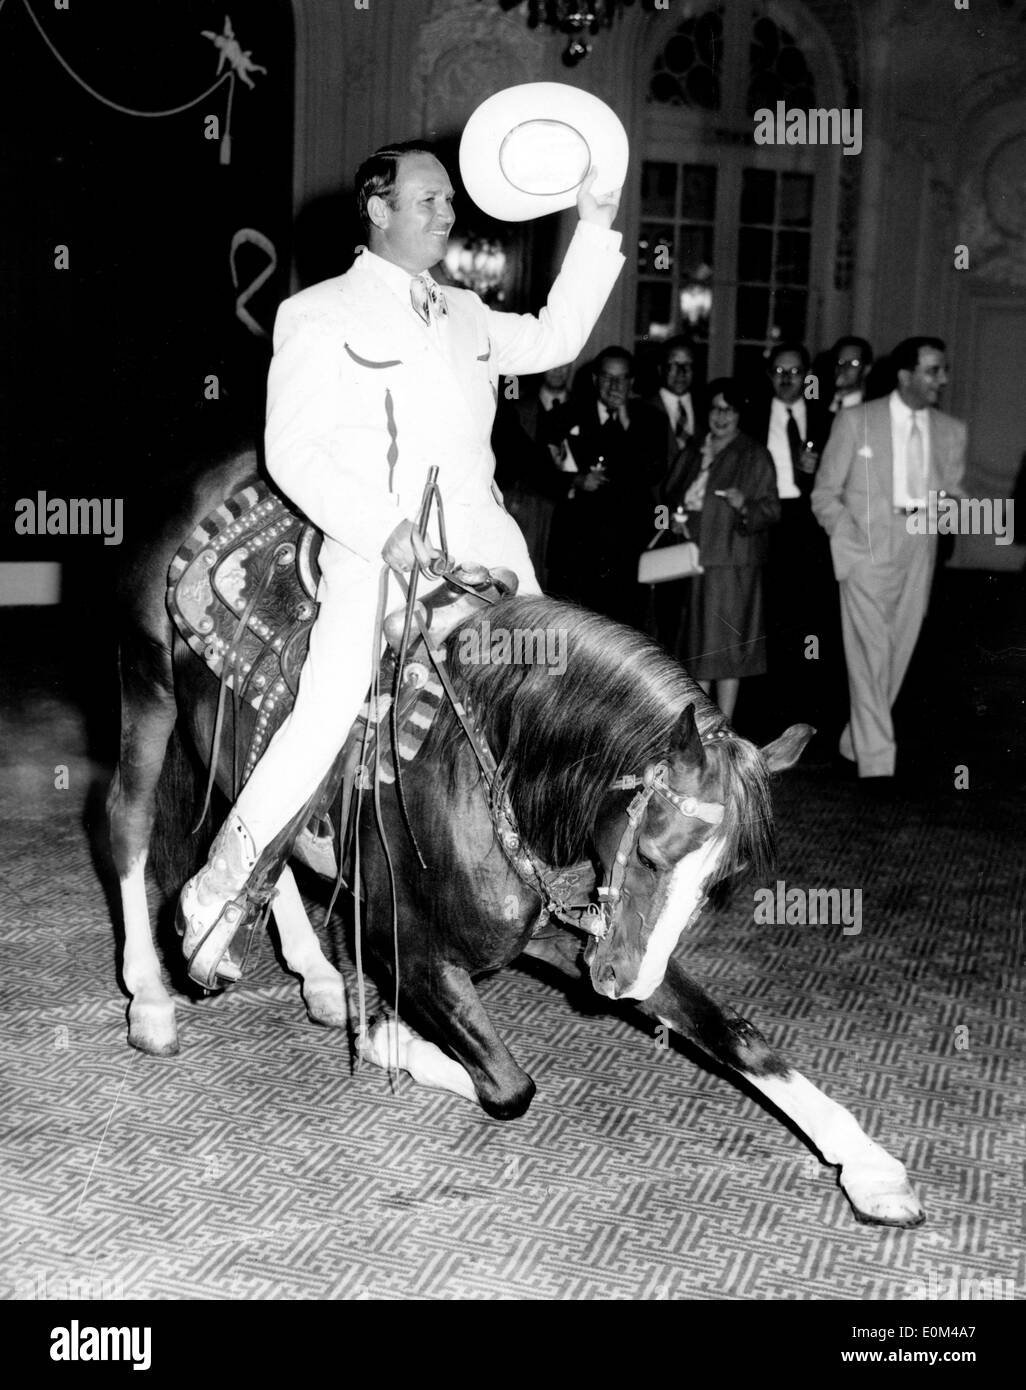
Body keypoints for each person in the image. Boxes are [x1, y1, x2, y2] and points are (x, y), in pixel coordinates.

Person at [177, 141, 624, 985]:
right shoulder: (318, 313)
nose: (447, 212)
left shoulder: (467, 313)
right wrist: (382, 528)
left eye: (449, 200)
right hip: (374, 549)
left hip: (488, 552)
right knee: (330, 701)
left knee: (560, 688)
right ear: (377, 209)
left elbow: (560, 336)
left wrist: (595, 222)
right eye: (427, 200)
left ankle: (564, 875)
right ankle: (219, 888)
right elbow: (294, 450)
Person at [811, 337, 967, 781]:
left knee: (897, 650)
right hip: (867, 546)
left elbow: (952, 493)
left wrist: (958, 512)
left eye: (943, 369)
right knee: (870, 652)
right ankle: (878, 763)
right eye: (933, 370)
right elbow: (824, 493)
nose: (943, 379)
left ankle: (855, 740)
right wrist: (849, 541)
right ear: (905, 375)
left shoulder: (953, 431)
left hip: (921, 545)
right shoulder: (856, 420)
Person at [670, 379, 780, 720]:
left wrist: (744, 504)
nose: (720, 417)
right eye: (715, 408)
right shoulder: (694, 449)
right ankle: (702, 727)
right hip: (692, 557)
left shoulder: (754, 454)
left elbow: (772, 510)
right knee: (696, 648)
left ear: (740, 414)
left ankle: (724, 727)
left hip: (732, 562)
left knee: (728, 651)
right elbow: (671, 493)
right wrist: (674, 517)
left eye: (728, 410)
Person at [546, 346, 671, 627]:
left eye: (622, 378)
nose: (614, 386)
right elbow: (540, 474)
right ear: (594, 380)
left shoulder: (651, 420)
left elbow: (652, 474)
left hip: (626, 547)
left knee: (622, 630)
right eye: (607, 377)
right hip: (577, 547)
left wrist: (628, 425)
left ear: (632, 383)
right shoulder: (565, 415)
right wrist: (575, 481)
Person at [828, 336, 874, 414]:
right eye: (841, 362)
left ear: (866, 369)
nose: (844, 368)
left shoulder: (871, 410)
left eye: (854, 363)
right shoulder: (817, 405)